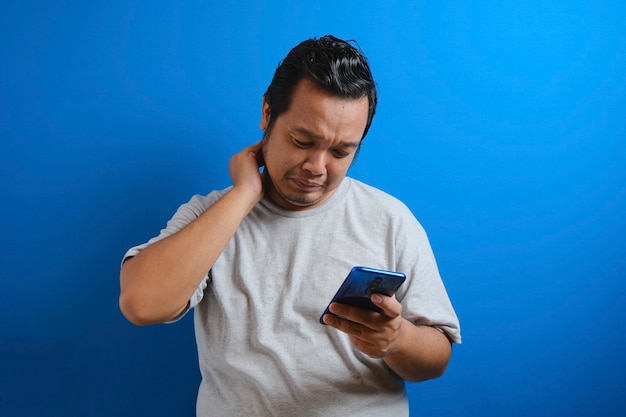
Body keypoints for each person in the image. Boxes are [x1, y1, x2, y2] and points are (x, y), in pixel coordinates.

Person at [119, 35, 461, 416]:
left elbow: (436, 359)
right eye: (302, 141)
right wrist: (245, 194)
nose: (317, 166)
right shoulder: (212, 215)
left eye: (340, 151)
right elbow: (141, 304)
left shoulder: (391, 219)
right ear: (268, 113)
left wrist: (396, 339)